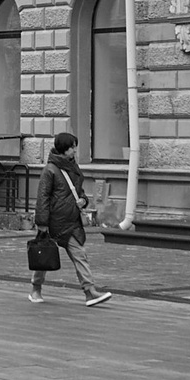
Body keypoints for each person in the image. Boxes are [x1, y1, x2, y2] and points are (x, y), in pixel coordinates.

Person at [30, 132, 112, 307]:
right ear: (63, 148)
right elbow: (42, 197)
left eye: (75, 146)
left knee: (80, 254)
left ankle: (90, 292)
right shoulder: (50, 170)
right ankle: (36, 289)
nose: (75, 150)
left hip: (71, 221)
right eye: (72, 146)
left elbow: (78, 191)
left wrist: (84, 200)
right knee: (44, 255)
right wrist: (42, 223)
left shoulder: (73, 168)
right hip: (52, 222)